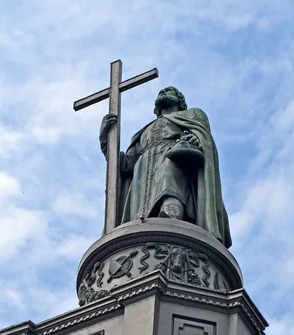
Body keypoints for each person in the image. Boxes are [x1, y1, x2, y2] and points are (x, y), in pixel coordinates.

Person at [99, 86, 232, 248]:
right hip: (142, 174)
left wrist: (193, 141)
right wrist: (106, 140)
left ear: (180, 100)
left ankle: (171, 219)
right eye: (160, 92)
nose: (162, 93)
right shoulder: (143, 133)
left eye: (169, 91)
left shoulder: (191, 116)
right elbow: (124, 165)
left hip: (174, 157)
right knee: (139, 220)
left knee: (169, 181)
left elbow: (203, 140)